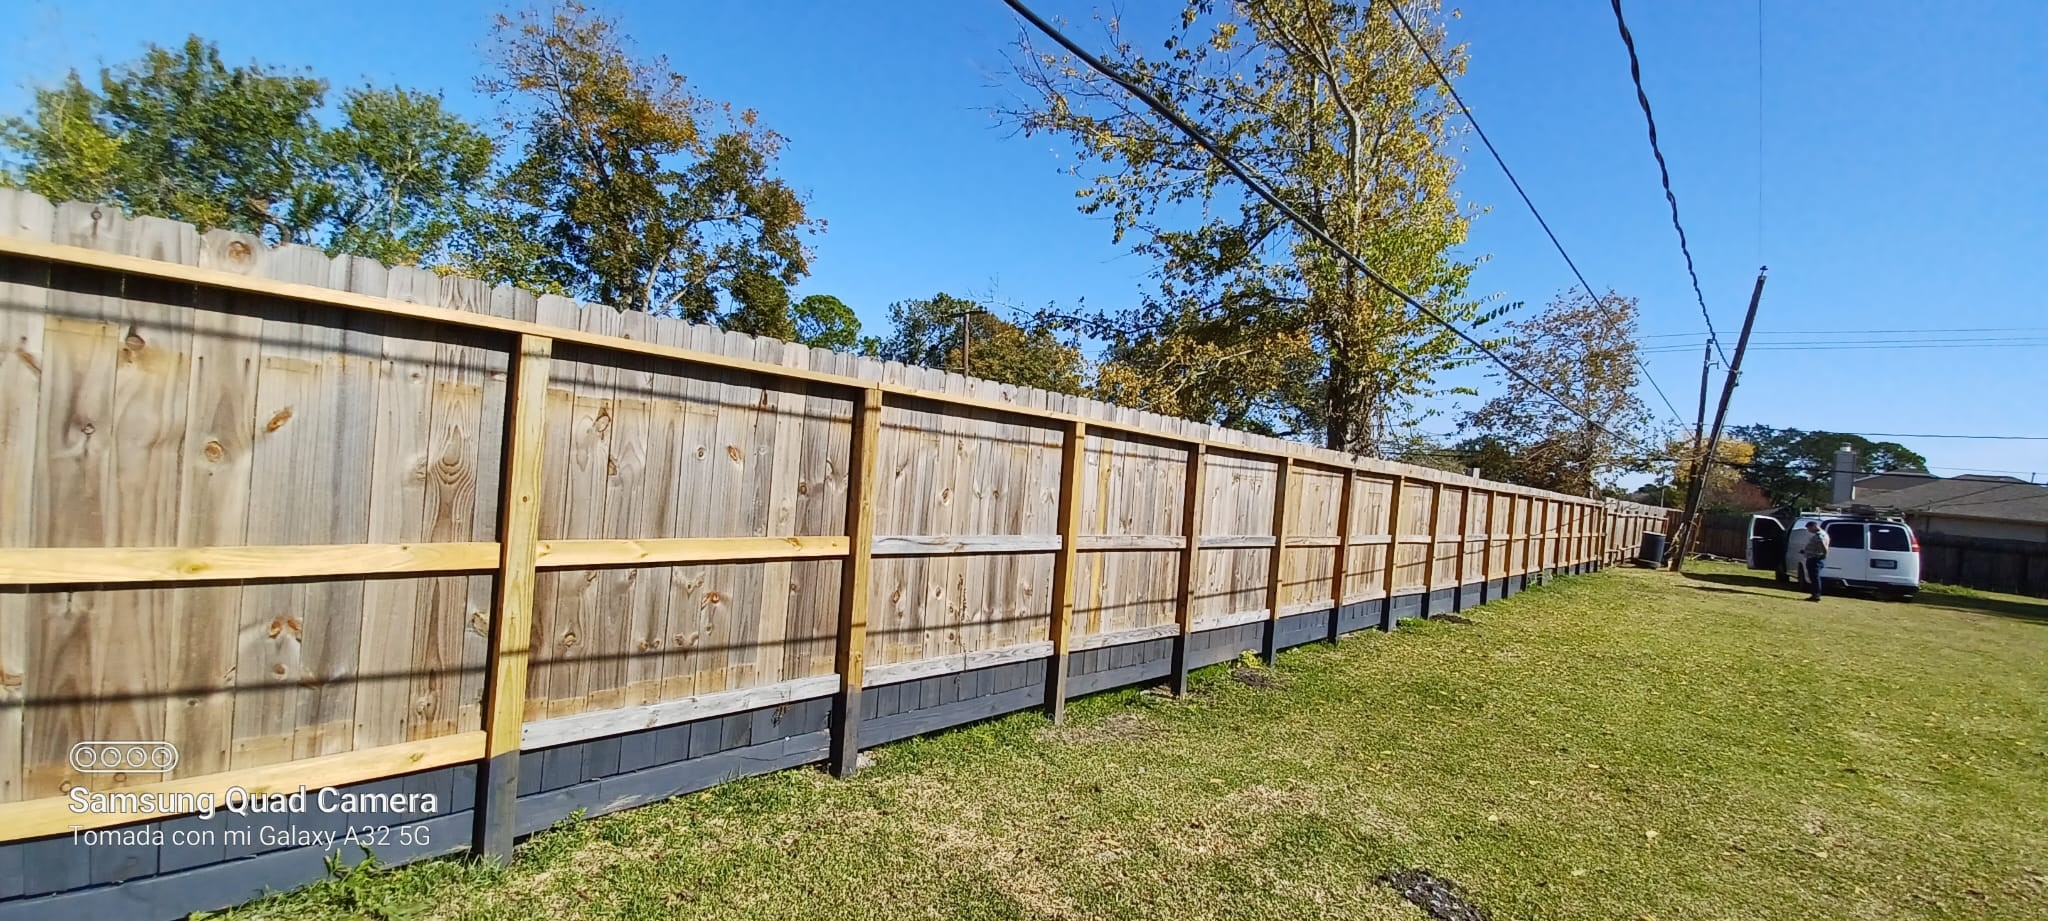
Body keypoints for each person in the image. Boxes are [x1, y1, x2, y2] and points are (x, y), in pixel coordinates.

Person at [1799, 521, 1829, 602]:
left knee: (1815, 577)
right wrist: (1805, 551)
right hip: (1814, 557)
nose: (1809, 530)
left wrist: (1825, 554)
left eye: (1809, 528)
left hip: (1814, 558)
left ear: (1814, 526)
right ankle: (1814, 594)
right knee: (1813, 577)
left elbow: (1823, 544)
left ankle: (1816, 595)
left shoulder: (1819, 535)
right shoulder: (1823, 533)